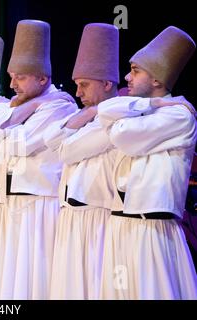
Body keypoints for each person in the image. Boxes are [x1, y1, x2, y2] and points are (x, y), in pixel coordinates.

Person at [98, 26, 197, 299]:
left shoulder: (179, 114)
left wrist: (136, 114)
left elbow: (122, 136)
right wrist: (151, 106)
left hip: (151, 228)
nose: (127, 77)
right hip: (121, 224)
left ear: (156, 80)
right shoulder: (142, 109)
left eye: (135, 70)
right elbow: (104, 110)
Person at [0, 19, 77, 300]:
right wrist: (31, 106)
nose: (12, 85)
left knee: (37, 281)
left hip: (39, 204)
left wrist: (20, 118)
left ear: (42, 78)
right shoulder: (24, 104)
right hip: (14, 203)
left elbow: (20, 144)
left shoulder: (60, 104)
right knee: (12, 285)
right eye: (11, 76)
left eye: (20, 77)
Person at [45, 23, 120, 299]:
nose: (78, 93)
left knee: (94, 287)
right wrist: (88, 114)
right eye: (77, 85)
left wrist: (92, 116)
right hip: (70, 218)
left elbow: (66, 151)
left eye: (84, 85)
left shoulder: (116, 120)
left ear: (107, 84)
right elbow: (52, 141)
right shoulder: (89, 117)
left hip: (97, 219)